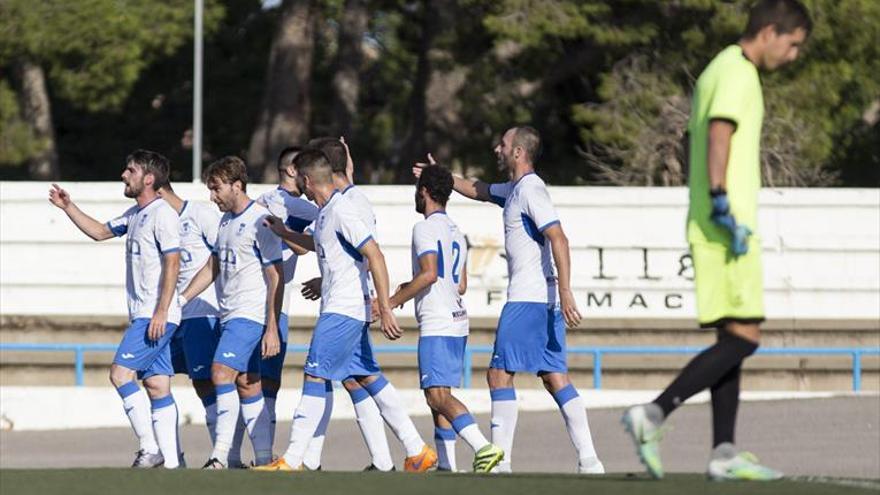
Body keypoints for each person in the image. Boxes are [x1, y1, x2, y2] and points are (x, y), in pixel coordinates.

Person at [621, 0, 811, 481]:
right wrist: (722, 201)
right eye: (792, 46)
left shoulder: (715, 70)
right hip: (727, 229)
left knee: (734, 336)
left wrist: (706, 199)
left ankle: (723, 451)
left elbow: (691, 141)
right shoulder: (738, 71)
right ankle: (655, 413)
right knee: (746, 337)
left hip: (714, 224)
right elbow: (719, 132)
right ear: (769, 32)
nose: (792, 57)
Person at [414, 127, 603, 474]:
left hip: (528, 299)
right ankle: (590, 461)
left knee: (499, 375)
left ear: (517, 152)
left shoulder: (531, 190)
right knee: (554, 376)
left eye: (502, 144)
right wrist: (442, 175)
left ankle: (501, 463)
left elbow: (558, 237)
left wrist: (565, 289)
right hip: (540, 301)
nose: (495, 149)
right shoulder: (515, 189)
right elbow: (480, 190)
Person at [267, 138, 437, 472]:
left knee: (314, 376)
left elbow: (374, 253)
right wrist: (284, 231)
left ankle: (293, 459)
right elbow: (318, 244)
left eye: (297, 176)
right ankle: (417, 450)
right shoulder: (328, 211)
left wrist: (386, 307)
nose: (295, 181)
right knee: (368, 377)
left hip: (342, 310)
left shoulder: (343, 209)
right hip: (345, 307)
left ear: (306, 180)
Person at [48, 150, 183, 468]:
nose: (124, 174)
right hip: (148, 314)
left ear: (148, 179)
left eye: (131, 170)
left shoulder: (163, 214)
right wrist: (68, 207)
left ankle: (150, 449)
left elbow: (173, 263)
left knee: (120, 374)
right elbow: (99, 232)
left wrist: (161, 311)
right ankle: (175, 466)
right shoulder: (135, 214)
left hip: (155, 314)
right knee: (156, 384)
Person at [387, 164, 504, 473]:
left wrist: (393, 301)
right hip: (456, 319)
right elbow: (460, 285)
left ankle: (484, 448)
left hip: (437, 321)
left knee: (437, 396)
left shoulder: (424, 228)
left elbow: (428, 273)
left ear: (424, 191)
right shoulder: (456, 231)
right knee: (439, 397)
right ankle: (446, 466)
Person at [179, 156, 284, 469]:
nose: (212, 196)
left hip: (249, 314)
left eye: (217, 188)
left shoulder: (261, 220)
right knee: (248, 384)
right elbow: (213, 265)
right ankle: (263, 458)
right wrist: (182, 298)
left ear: (237, 186)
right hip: (230, 316)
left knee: (220, 373)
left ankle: (220, 457)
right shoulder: (225, 221)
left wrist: (271, 327)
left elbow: (275, 275)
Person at [254, 146, 325, 466]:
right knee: (268, 382)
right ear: (294, 171)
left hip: (244, 303)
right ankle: (271, 455)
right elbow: (306, 249)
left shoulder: (260, 200)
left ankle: (234, 453)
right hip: (273, 305)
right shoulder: (303, 208)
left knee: (242, 380)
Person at [156, 180, 222, 465]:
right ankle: (172, 458)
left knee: (205, 384)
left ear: (158, 189)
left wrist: (183, 298)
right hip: (169, 315)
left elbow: (222, 258)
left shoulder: (200, 214)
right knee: (154, 379)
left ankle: (224, 455)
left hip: (200, 313)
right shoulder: (157, 221)